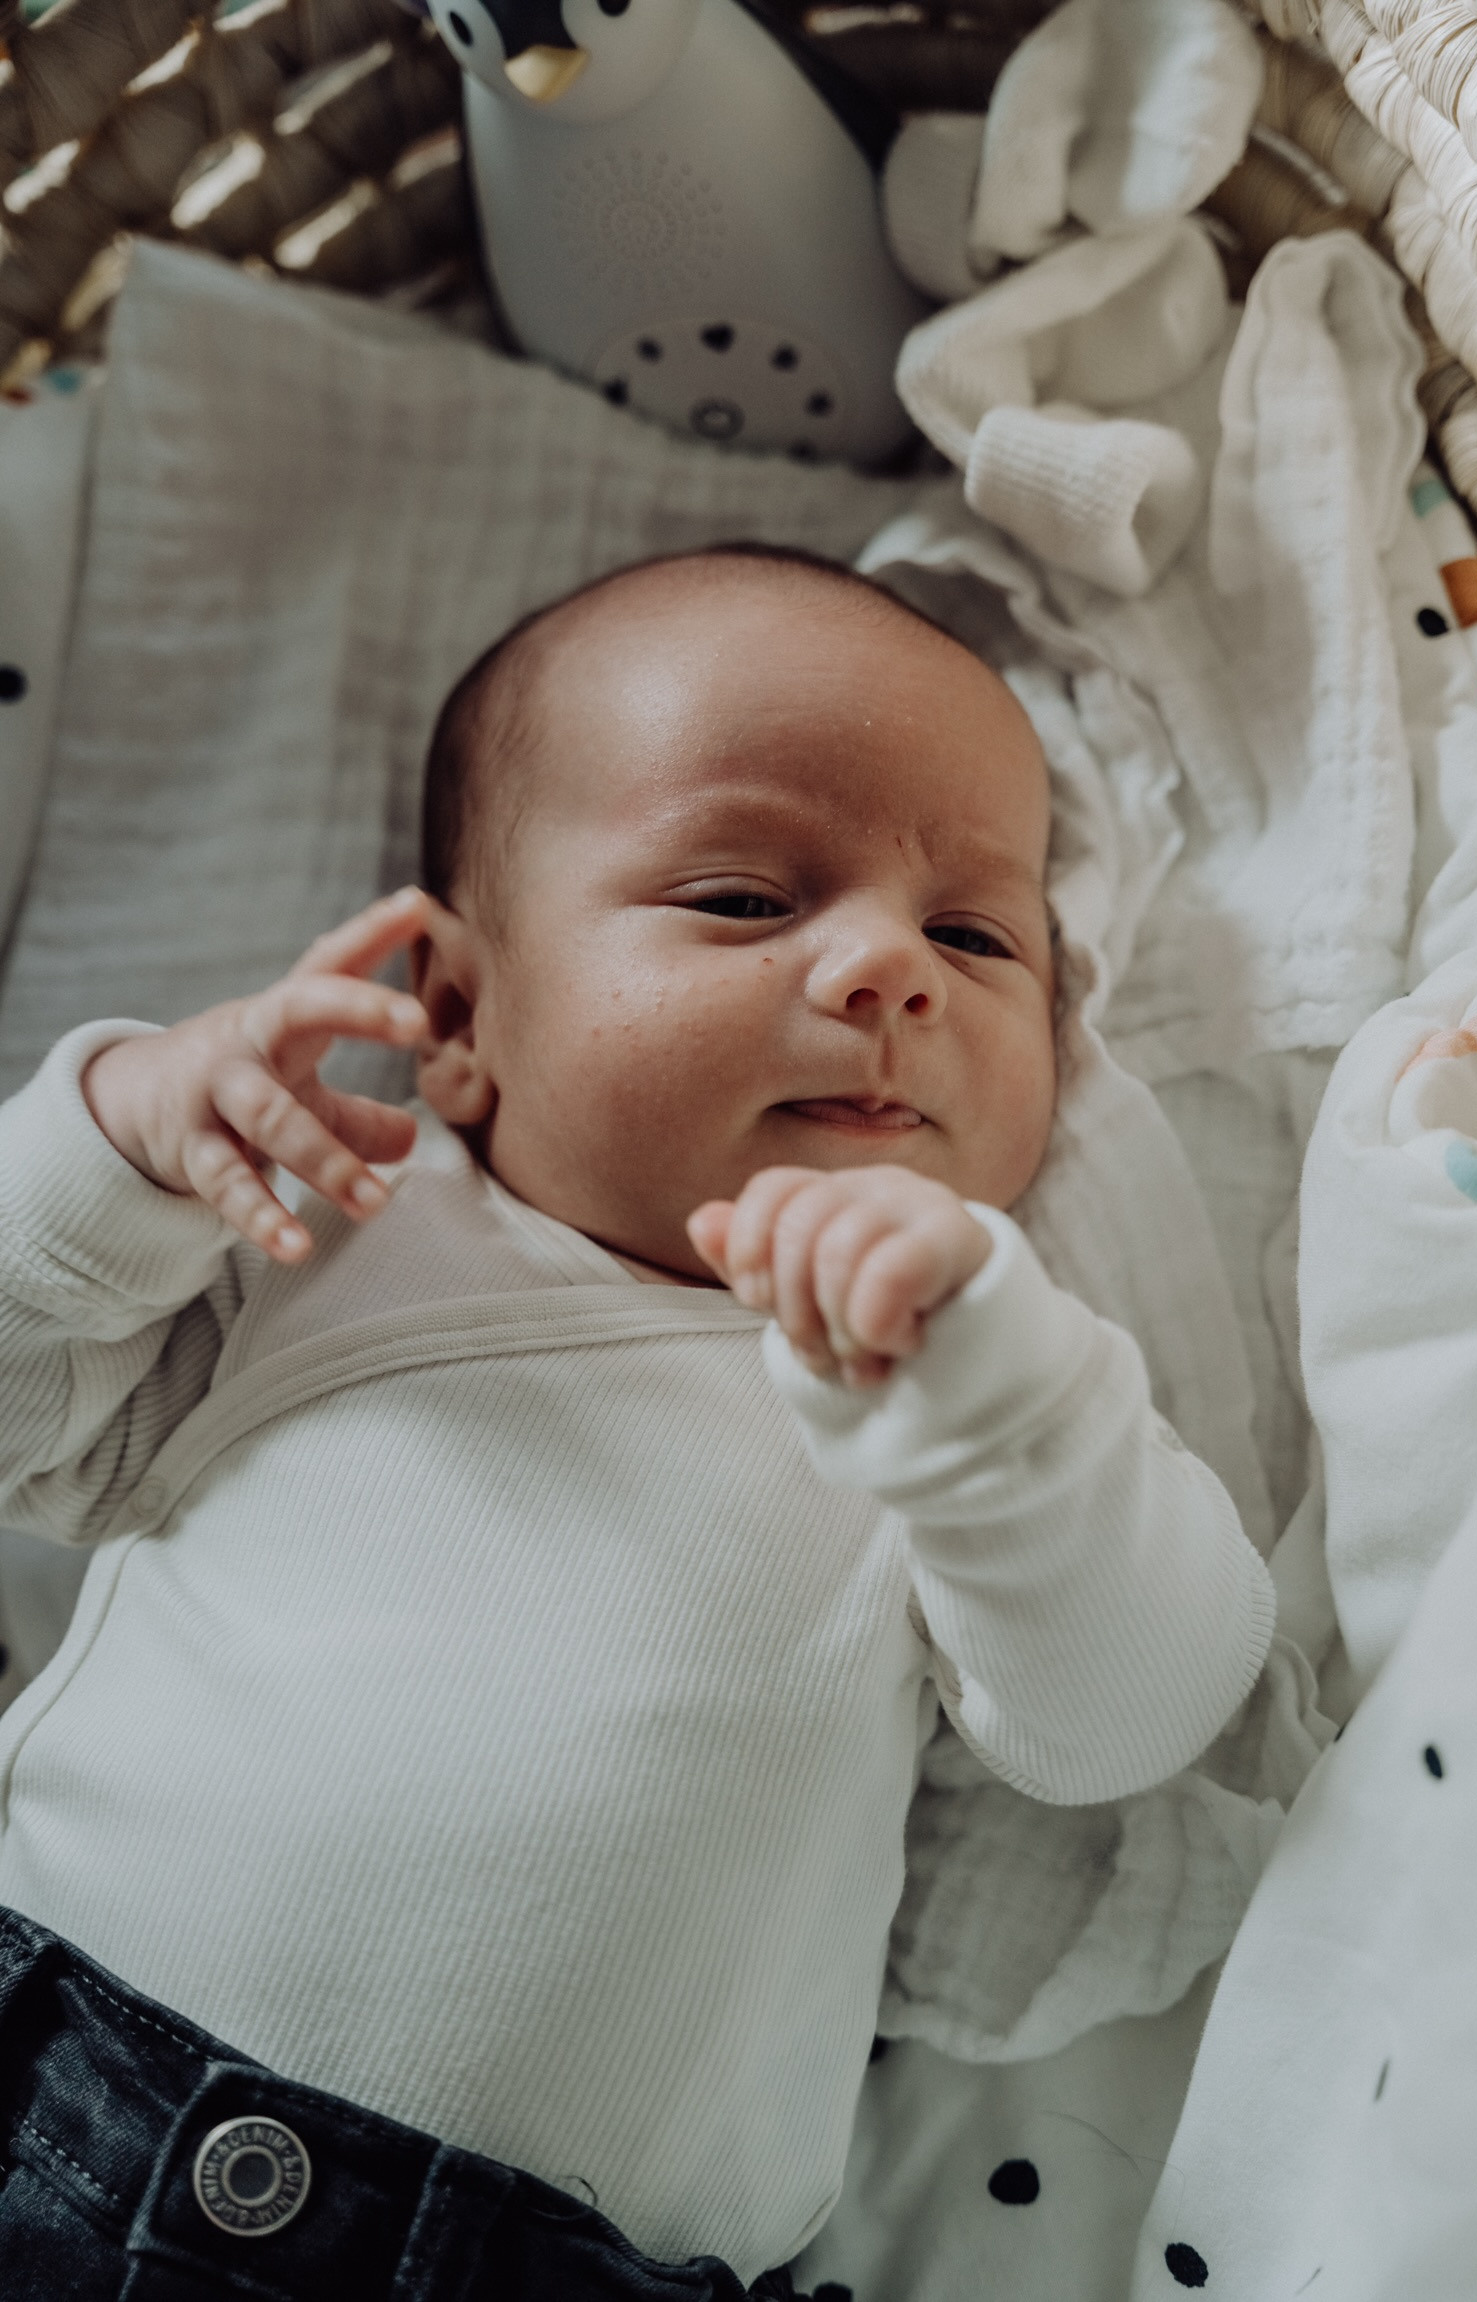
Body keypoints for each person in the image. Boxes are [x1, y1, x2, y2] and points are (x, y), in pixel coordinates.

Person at [0, 546, 1273, 2300]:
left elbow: (1133, 1707)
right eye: (747, 896)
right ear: (455, 1015)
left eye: (977, 935)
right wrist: (117, 1143)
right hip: (53, 2094)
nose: (893, 968)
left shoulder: (949, 1413)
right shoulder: (320, 1233)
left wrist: (999, 1386)